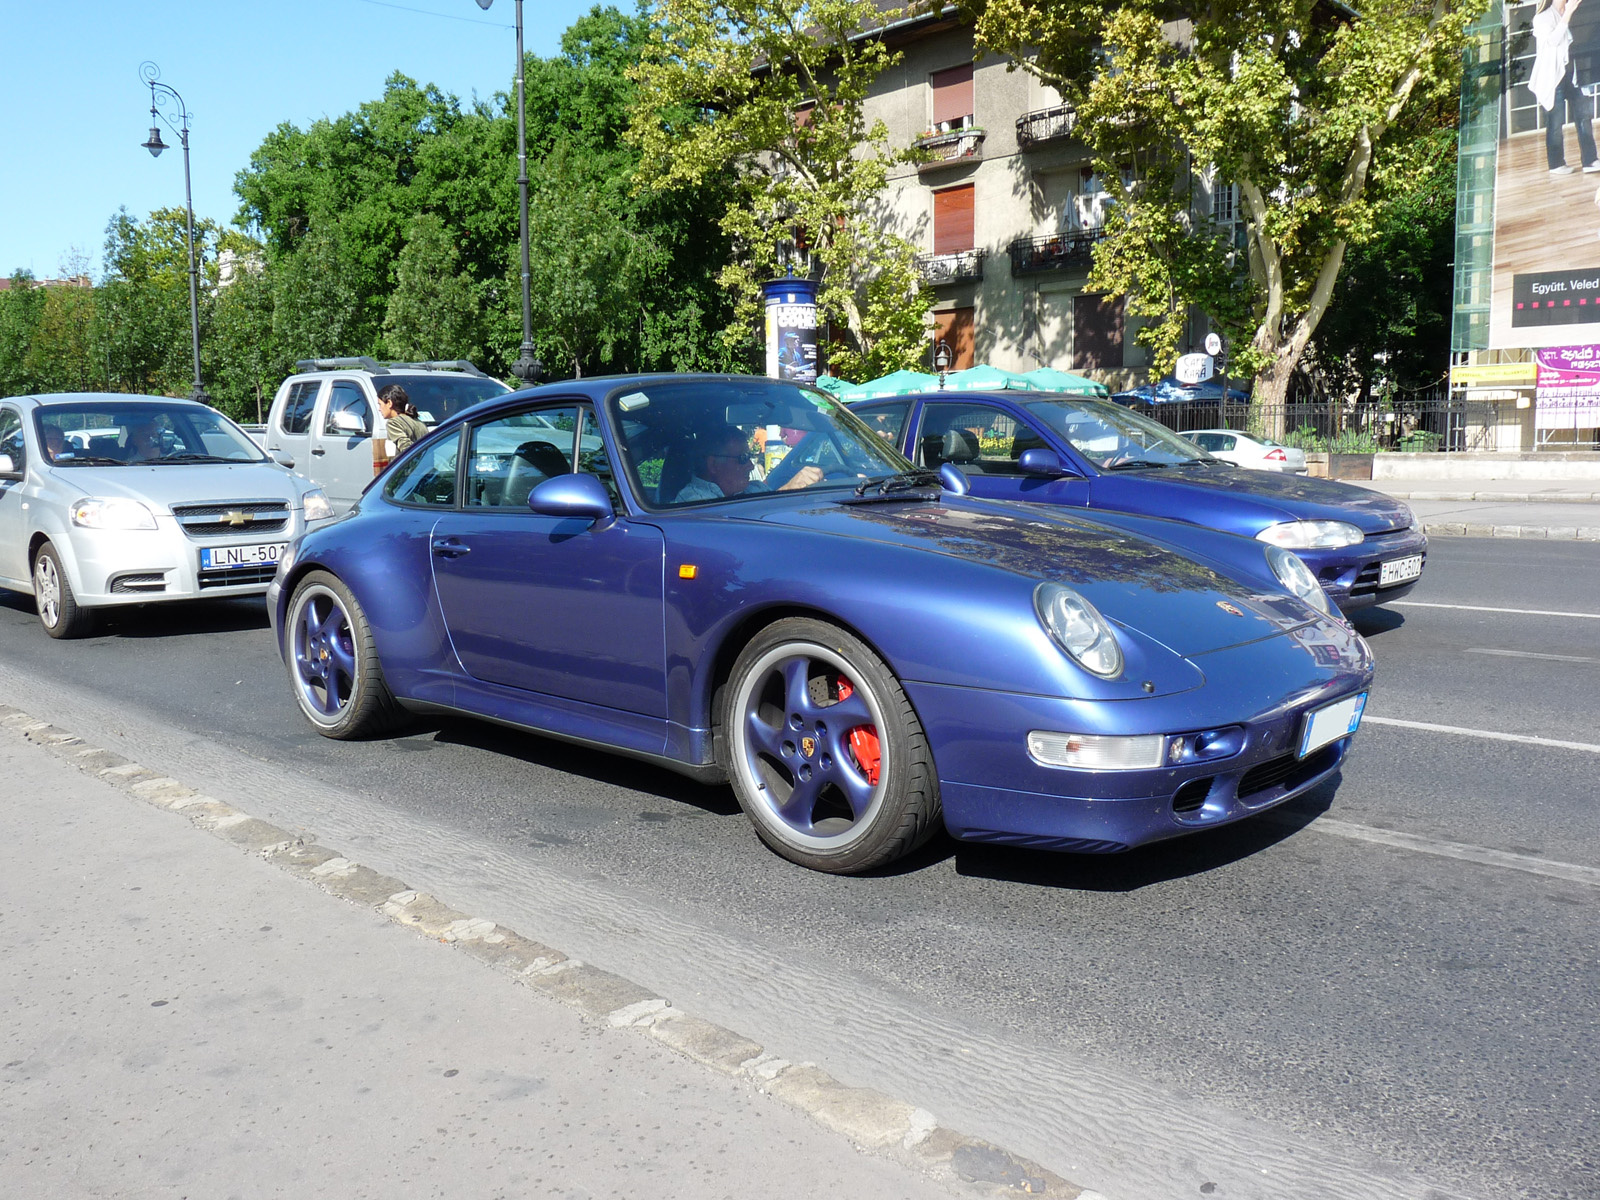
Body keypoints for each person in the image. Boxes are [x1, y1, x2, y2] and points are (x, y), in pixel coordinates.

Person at [674, 425, 823, 503]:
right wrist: (787, 490)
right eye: (743, 458)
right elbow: (732, 532)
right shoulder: (692, 501)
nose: (751, 466)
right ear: (713, 465)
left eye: (750, 457)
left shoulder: (755, 488)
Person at [1532, 0, 1598, 175]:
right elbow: (1553, 41)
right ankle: (1556, 164)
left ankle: (1590, 160)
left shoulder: (1574, 16)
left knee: (1584, 116)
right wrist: (1567, 14)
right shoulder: (1542, 18)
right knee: (1555, 122)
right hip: (1553, 77)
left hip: (1573, 74)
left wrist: (1570, 14)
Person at [377, 385, 429, 453]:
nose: (379, 409)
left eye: (380, 404)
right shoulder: (420, 423)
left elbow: (406, 449)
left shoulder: (393, 423)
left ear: (389, 403)